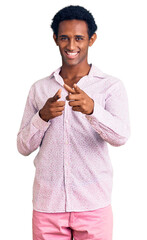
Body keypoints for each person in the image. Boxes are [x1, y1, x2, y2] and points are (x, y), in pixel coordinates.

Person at [17, 5, 130, 240]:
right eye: (64, 38)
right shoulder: (40, 88)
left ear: (92, 39)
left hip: (93, 205)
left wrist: (93, 110)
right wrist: (43, 117)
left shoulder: (110, 86)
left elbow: (121, 137)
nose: (71, 46)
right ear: (55, 39)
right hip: (48, 206)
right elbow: (22, 147)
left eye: (79, 38)